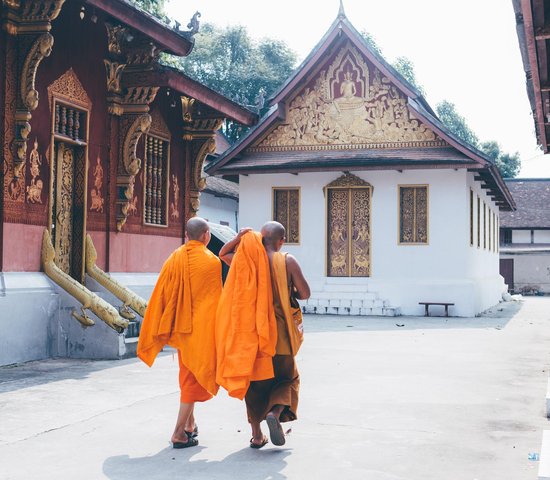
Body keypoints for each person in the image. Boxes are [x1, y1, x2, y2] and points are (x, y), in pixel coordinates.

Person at [218, 221, 310, 449]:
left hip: (254, 334)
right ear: (281, 241)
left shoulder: (246, 260)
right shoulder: (287, 260)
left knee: (255, 385)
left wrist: (239, 238)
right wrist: (289, 291)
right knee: (288, 379)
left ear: (261, 238)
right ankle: (276, 412)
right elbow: (305, 293)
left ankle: (257, 435)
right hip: (281, 335)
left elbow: (223, 253)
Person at [137, 216, 225, 449]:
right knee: (191, 380)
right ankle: (178, 433)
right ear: (206, 236)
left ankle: (189, 425)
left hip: (180, 329)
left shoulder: (174, 258)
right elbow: (213, 302)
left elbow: (164, 294)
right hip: (200, 331)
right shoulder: (212, 262)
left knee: (189, 377)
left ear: (187, 235)